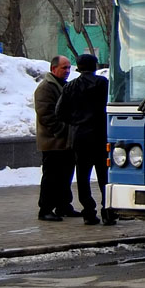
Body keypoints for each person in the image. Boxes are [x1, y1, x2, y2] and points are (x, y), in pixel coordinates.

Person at [56, 54, 115, 226]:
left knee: (83, 176)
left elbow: (59, 112)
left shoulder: (70, 86)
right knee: (105, 176)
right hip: (100, 135)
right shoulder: (103, 84)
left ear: (79, 67)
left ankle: (88, 212)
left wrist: (75, 122)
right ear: (95, 66)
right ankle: (107, 211)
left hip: (80, 137)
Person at [34, 55, 76, 222]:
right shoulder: (46, 88)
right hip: (53, 142)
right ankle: (45, 209)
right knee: (51, 176)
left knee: (65, 175)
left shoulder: (62, 86)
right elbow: (46, 115)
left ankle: (63, 206)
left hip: (65, 142)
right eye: (64, 68)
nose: (67, 71)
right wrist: (63, 131)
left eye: (68, 68)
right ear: (53, 69)